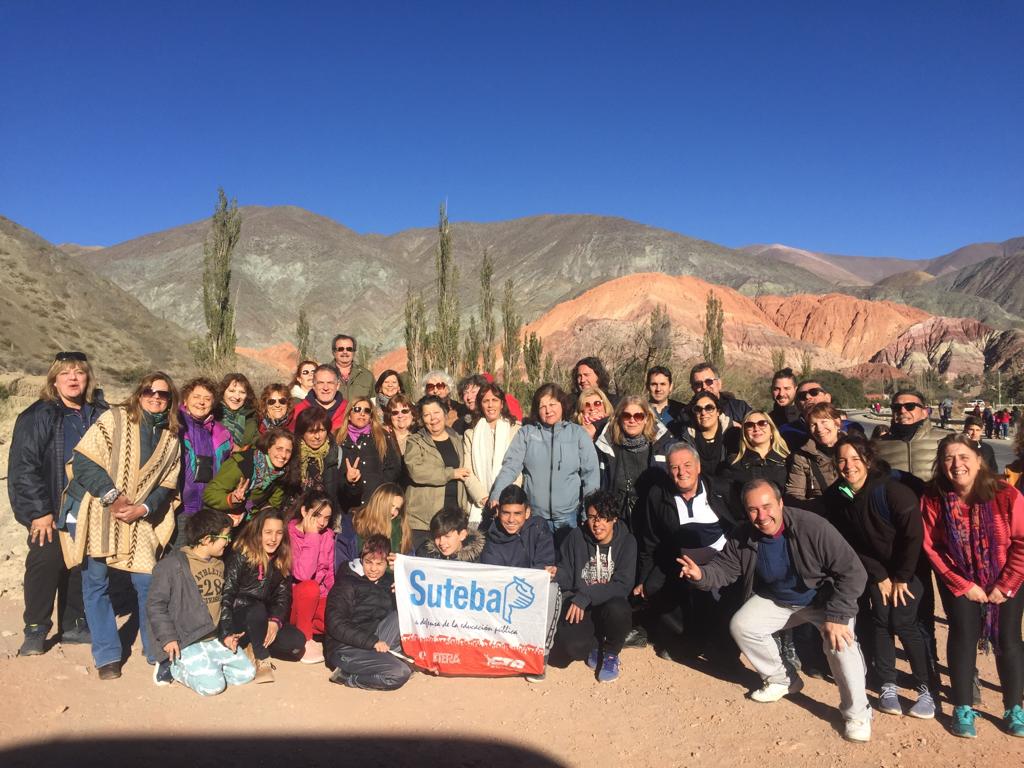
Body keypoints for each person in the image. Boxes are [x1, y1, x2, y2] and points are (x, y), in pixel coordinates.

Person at [678, 479, 872, 743]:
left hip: (822, 600)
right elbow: (724, 569)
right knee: (743, 626)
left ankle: (858, 712)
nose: (761, 516)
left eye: (767, 506)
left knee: (840, 643)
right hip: (779, 599)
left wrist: (838, 616)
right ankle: (782, 680)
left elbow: (853, 572)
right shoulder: (743, 535)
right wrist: (701, 574)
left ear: (780, 504)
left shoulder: (812, 526)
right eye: (753, 510)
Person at [59, 372, 182, 679]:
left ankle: (154, 649)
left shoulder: (171, 438)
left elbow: (167, 484)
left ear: (170, 400)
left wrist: (144, 507)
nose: (155, 397)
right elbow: (84, 460)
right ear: (139, 393)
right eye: (149, 391)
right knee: (96, 582)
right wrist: (112, 496)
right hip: (100, 510)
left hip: (140, 517)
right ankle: (107, 655)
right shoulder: (115, 419)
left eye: (163, 394)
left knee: (147, 583)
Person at [823, 434, 934, 719]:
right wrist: (879, 575)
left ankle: (927, 688)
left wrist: (901, 577)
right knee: (881, 620)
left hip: (908, 568)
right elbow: (847, 543)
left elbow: (913, 536)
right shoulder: (837, 496)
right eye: (842, 460)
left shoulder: (892, 491)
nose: (848, 466)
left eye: (855, 459)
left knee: (904, 621)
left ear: (868, 460)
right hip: (875, 570)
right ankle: (888, 684)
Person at [920, 434, 1024, 738]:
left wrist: (1005, 585)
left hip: (1006, 577)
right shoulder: (934, 498)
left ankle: (1014, 707)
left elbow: (1022, 541)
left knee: (1009, 640)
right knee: (963, 636)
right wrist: (963, 585)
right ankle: (963, 707)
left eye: (964, 457)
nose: (957, 464)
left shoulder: (1006, 495)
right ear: (941, 465)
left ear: (978, 461)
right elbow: (932, 546)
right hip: (960, 580)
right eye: (949, 458)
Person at [10, 351, 107, 655]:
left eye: (79, 372)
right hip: (51, 504)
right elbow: (24, 467)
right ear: (54, 380)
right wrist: (39, 511)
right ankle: (36, 628)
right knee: (46, 561)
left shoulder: (99, 414)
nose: (73, 378)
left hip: (89, 504)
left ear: (88, 378)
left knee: (80, 563)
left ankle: (74, 624)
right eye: (65, 373)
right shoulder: (38, 415)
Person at [636, 442, 737, 661]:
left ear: (698, 467)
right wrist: (643, 579)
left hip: (721, 563)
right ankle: (685, 637)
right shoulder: (658, 495)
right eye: (675, 467)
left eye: (687, 465)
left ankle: (721, 640)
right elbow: (650, 541)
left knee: (723, 602)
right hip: (679, 562)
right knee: (654, 587)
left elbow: (740, 524)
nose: (682, 472)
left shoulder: (720, 489)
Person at [145, 508, 255, 694]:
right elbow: (155, 605)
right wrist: (168, 638)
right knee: (213, 687)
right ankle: (172, 667)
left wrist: (227, 633)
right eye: (225, 537)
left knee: (246, 673)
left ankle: (206, 666)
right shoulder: (172, 566)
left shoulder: (219, 564)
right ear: (206, 539)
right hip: (186, 640)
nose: (228, 542)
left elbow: (222, 604)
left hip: (212, 637)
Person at [490, 383, 600, 542]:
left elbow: (591, 476)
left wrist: (588, 513)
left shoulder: (577, 434)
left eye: (552, 404)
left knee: (568, 557)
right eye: (542, 406)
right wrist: (496, 494)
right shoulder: (527, 434)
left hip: (569, 517)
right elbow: (510, 467)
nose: (548, 410)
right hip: (535, 517)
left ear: (562, 405)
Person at [554, 489, 637, 683]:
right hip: (583, 607)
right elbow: (567, 573)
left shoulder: (627, 541)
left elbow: (623, 585)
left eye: (603, 518)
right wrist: (556, 573)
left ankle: (611, 653)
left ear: (614, 518)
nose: (597, 524)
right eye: (592, 517)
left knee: (619, 609)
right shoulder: (576, 537)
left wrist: (586, 595)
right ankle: (595, 644)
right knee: (573, 648)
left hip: (609, 605)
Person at [481, 485, 562, 683]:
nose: (511, 519)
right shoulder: (490, 536)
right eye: (506, 513)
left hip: (533, 593)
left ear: (527, 512)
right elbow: (494, 579)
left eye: (517, 513)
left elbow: (545, 565)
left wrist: (536, 576)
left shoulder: (539, 527)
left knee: (552, 588)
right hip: (503, 599)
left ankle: (541, 654)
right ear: (498, 512)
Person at [219, 507, 306, 682]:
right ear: (258, 532)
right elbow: (226, 595)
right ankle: (261, 657)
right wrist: (226, 632)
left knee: (296, 641)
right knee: (256, 608)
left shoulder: (281, 560)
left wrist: (275, 621)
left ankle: (251, 645)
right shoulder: (242, 555)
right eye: (268, 532)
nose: (273, 539)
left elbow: (283, 598)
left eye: (278, 533)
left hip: (262, 619)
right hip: (239, 617)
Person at [325, 534, 412, 691]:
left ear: (387, 563)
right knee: (400, 673)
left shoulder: (388, 582)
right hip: (345, 647)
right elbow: (335, 623)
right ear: (361, 560)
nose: (373, 569)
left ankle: (389, 659)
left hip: (374, 639)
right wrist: (372, 642)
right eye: (368, 562)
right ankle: (348, 677)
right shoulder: (347, 582)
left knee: (404, 611)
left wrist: (401, 591)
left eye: (379, 564)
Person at [404, 396, 485, 549]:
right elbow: (416, 471)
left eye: (436, 412)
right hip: (424, 521)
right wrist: (451, 473)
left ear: (444, 413)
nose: (433, 418)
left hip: (453, 517)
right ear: (422, 419)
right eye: (427, 415)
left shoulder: (457, 438)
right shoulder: (415, 441)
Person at [595, 395, 673, 533]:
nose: (632, 420)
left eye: (638, 416)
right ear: (620, 418)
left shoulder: (661, 446)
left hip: (651, 518)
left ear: (646, 418)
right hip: (617, 518)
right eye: (626, 416)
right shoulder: (607, 446)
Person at [202, 428, 298, 527]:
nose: (283, 455)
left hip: (246, 525)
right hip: (217, 521)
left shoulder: (281, 474)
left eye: (288, 451)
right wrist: (232, 499)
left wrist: (263, 513)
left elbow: (273, 504)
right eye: (279, 449)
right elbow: (209, 494)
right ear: (268, 448)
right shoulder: (241, 464)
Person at [177, 377, 233, 539]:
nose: (201, 402)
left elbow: (229, 470)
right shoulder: (175, 425)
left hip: (210, 511)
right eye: (196, 397)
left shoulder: (222, 433)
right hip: (180, 509)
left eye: (207, 399)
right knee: (179, 551)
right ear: (185, 400)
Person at [463, 381, 521, 529]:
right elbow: (467, 472)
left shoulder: (516, 430)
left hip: (508, 503)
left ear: (502, 404)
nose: (490, 405)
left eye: (494, 400)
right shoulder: (470, 434)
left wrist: (505, 498)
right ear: (480, 405)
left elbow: (518, 469)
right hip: (479, 505)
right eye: (485, 401)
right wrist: (483, 498)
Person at [288, 489, 336, 665]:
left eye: (327, 518)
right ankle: (304, 639)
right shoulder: (289, 534)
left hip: (319, 597)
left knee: (335, 619)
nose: (322, 522)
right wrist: (312, 536)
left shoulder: (328, 535)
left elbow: (329, 573)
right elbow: (303, 574)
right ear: (304, 511)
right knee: (310, 586)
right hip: (296, 600)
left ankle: (307, 626)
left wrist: (335, 600)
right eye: (317, 515)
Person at [336, 397, 401, 513]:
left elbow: (393, 467)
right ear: (349, 415)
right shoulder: (337, 438)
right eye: (357, 409)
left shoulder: (382, 436)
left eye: (367, 411)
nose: (362, 414)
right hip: (347, 507)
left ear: (371, 416)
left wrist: (380, 490)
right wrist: (348, 481)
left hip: (376, 506)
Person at [719, 411, 790, 518]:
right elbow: (728, 499)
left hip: (784, 519)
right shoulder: (733, 463)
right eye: (749, 425)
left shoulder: (788, 460)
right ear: (744, 433)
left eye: (762, 423)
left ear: (772, 430)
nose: (756, 428)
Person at [874, 389, 944, 482]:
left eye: (910, 406)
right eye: (896, 407)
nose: (902, 411)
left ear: (924, 412)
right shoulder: (877, 445)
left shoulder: (945, 439)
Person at [785, 402, 843, 506]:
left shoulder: (855, 449)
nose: (819, 429)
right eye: (813, 424)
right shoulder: (802, 457)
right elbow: (794, 496)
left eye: (824, 422)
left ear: (837, 422)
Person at [680, 390, 741, 477]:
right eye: (698, 409)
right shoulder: (684, 438)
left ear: (718, 411)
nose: (703, 413)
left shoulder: (734, 435)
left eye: (709, 408)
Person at [351, 483, 412, 559]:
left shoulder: (402, 531)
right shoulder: (356, 526)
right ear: (380, 503)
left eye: (397, 509)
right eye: (391, 506)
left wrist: (400, 562)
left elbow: (410, 561)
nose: (393, 512)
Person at [293, 407, 341, 498]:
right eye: (311, 431)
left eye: (322, 430)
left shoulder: (337, 453)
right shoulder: (291, 453)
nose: (317, 436)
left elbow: (345, 494)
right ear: (302, 432)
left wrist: (352, 483)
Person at [289, 364, 348, 434]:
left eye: (330, 383)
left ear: (337, 386)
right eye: (320, 383)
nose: (325, 388)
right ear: (314, 386)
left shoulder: (349, 409)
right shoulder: (298, 410)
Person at [415, 507, 485, 562]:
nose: (441, 542)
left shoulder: (476, 560)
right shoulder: (425, 554)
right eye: (437, 537)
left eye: (447, 536)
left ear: (462, 535)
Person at [419, 369, 470, 434]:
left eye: (440, 386)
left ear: (448, 388)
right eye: (430, 387)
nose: (435, 390)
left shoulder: (460, 410)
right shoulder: (420, 412)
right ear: (426, 391)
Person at [217, 373, 259, 450]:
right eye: (232, 391)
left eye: (242, 392)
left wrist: (242, 451)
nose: (237, 397)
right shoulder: (213, 414)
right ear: (223, 392)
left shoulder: (251, 418)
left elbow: (257, 446)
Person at [331, 333, 375, 403]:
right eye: (340, 349)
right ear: (334, 352)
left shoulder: (367, 376)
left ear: (354, 352)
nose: (345, 352)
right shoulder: (323, 374)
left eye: (349, 349)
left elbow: (373, 403)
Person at [646, 365, 686, 436]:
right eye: (654, 384)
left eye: (663, 384)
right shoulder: (640, 412)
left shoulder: (683, 411)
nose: (658, 389)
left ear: (670, 386)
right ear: (647, 386)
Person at [768, 368, 800, 434]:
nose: (781, 394)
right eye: (777, 389)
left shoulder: (805, 418)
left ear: (796, 389)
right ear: (771, 390)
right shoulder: (768, 420)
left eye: (786, 388)